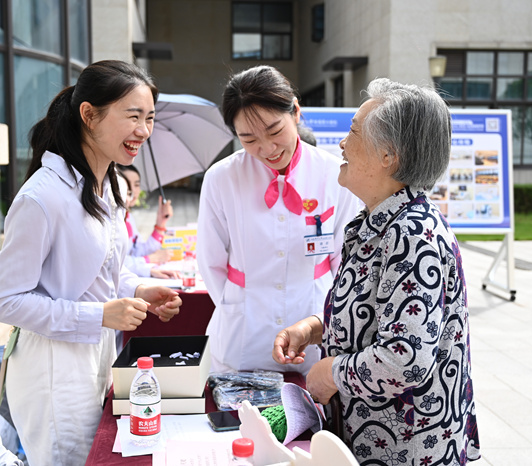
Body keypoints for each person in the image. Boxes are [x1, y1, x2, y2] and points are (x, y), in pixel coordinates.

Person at [273, 79, 480, 465]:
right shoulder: (381, 221)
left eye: (353, 132)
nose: (341, 144)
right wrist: (316, 328)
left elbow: (406, 358)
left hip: (405, 449)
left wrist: (332, 372)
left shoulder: (413, 234)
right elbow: (378, 314)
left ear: (388, 155)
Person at [0, 60, 182, 466]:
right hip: (53, 372)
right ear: (89, 114)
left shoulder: (109, 184)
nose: (144, 131)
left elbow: (103, 270)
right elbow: (7, 299)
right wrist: (99, 315)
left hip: (99, 356)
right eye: (133, 116)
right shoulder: (41, 198)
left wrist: (138, 288)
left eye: (150, 117)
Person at [197, 65, 360, 375]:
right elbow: (211, 262)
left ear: (295, 112)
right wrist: (240, 304)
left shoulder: (334, 173)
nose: (267, 149)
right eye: (248, 139)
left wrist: (324, 320)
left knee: (313, 414)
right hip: (244, 333)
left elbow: (346, 261)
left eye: (274, 131)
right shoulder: (222, 179)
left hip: (314, 323)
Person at [117, 163, 174, 266]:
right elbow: (115, 264)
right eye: (127, 185)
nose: (132, 191)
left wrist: (160, 223)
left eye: (136, 185)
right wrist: (149, 260)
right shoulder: (114, 219)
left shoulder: (128, 217)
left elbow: (137, 251)